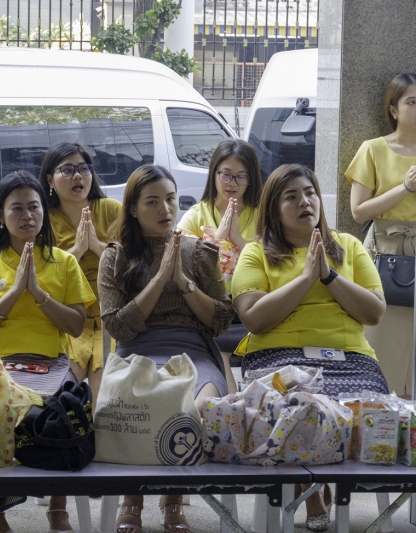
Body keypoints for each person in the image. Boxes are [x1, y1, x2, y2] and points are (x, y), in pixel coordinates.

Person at [234, 164, 387, 532]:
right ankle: (311, 490)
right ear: (274, 209)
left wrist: (328, 276)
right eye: (291, 196)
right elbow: (253, 318)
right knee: (294, 407)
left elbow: (374, 312)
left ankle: (317, 482)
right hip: (279, 355)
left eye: (310, 193)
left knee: (370, 410)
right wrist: (305, 279)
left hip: (349, 357)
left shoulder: (348, 246)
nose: (305, 202)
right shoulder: (256, 253)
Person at [98, 164, 234, 533]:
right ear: (133, 208)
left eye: (171, 199)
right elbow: (116, 326)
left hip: (193, 351)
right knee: (131, 404)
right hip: (136, 351)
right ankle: (132, 498)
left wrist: (185, 284)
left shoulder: (199, 252)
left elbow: (222, 320)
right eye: (153, 202)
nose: (165, 209)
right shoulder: (115, 256)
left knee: (199, 407)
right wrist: (159, 280)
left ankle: (173, 498)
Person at [0, 170, 95, 533]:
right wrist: (15, 291)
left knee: (67, 408)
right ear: (1, 216)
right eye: (16, 208)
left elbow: (76, 326)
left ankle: (58, 508)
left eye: (34, 207)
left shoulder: (64, 262)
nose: (27, 215)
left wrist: (38, 292)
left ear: (43, 212)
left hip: (52, 364)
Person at [346, 72, 416, 396]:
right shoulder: (373, 149)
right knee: (382, 341)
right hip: (384, 252)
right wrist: (405, 187)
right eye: (411, 102)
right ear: (393, 109)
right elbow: (359, 211)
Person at [38, 142, 120, 410]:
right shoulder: (43, 219)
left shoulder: (111, 209)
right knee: (62, 392)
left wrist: (97, 246)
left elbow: (133, 263)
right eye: (68, 170)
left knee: (104, 395)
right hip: (70, 321)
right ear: (50, 179)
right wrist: (76, 251)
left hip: (111, 317)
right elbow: (41, 277)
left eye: (84, 168)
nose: (78, 176)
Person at [177, 138, 263, 393]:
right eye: (225, 175)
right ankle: (231, 406)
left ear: (251, 179)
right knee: (218, 350)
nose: (232, 183)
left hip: (250, 304)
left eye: (240, 177)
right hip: (209, 306)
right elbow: (179, 260)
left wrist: (237, 239)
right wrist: (216, 241)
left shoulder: (262, 215)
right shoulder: (197, 213)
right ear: (214, 174)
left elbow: (271, 264)